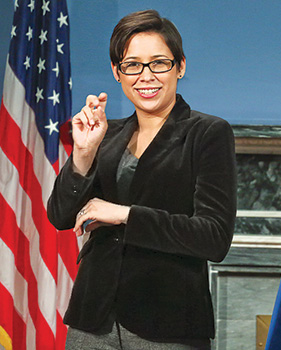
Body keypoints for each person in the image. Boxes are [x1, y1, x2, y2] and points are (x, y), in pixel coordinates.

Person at [47, 10, 236, 350]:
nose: (145, 76)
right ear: (117, 73)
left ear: (180, 66)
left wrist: (125, 214)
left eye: (159, 63)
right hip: (93, 320)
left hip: (168, 323)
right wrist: (84, 154)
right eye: (132, 65)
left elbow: (214, 237)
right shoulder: (107, 134)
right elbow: (60, 216)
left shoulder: (207, 132)